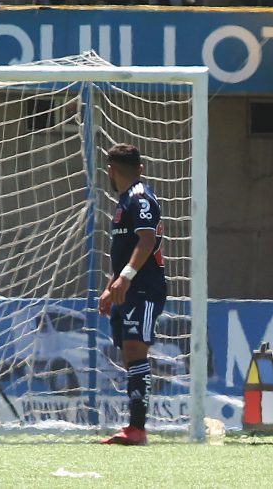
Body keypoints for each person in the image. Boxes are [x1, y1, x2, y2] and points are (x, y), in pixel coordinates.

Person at [98, 144, 167, 446]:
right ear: (140, 167)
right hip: (128, 287)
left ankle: (137, 428)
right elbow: (125, 250)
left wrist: (124, 278)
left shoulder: (139, 197)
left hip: (144, 288)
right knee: (129, 351)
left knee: (136, 348)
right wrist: (111, 286)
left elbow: (147, 239)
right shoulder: (125, 200)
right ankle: (134, 425)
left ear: (110, 171)